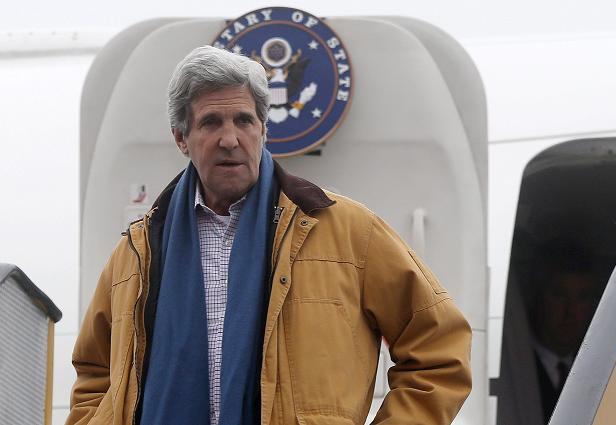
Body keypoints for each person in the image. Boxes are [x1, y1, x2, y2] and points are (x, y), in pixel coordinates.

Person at [66, 46, 472, 425]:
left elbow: (439, 347)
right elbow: (95, 376)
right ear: (181, 139)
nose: (230, 138)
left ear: (263, 130)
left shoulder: (347, 231)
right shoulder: (136, 253)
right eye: (210, 122)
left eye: (244, 120)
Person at [530, 240, 601, 423]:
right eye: (559, 295)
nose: (571, 311)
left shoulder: (601, 370)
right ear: (539, 298)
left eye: (582, 297)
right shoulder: (515, 370)